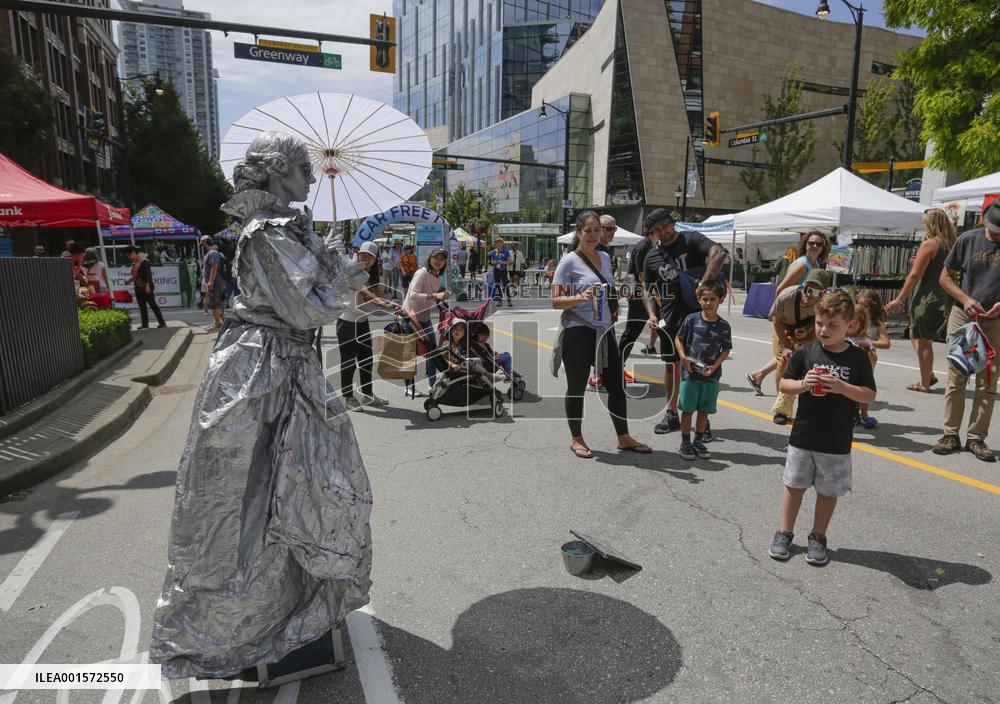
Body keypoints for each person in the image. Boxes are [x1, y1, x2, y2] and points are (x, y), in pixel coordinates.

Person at [149, 131, 372, 679]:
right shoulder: (266, 233)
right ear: (276, 172)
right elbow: (302, 308)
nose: (311, 177)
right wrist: (342, 278)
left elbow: (309, 298)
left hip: (284, 365)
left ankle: (286, 605)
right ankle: (243, 624)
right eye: (302, 168)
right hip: (261, 374)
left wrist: (336, 264)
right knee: (255, 497)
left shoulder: (287, 230)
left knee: (299, 488)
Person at [768, 290, 876, 566]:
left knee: (828, 492)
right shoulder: (806, 352)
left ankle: (818, 536)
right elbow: (784, 385)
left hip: (836, 440)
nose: (824, 330)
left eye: (832, 325)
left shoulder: (857, 359)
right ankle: (784, 533)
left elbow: (868, 394)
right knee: (794, 486)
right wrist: (803, 384)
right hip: (803, 436)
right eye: (819, 323)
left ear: (850, 324)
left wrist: (842, 387)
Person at [551, 210, 651, 459]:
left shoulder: (605, 258)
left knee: (616, 385)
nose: (594, 235)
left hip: (603, 330)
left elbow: (609, 292)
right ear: (579, 232)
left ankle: (623, 437)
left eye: (598, 230)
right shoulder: (569, 262)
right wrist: (580, 297)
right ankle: (576, 438)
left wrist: (622, 293)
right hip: (578, 331)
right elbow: (555, 301)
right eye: (589, 230)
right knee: (576, 386)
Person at [642, 208, 728, 434]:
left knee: (697, 368)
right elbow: (647, 288)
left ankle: (702, 419)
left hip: (700, 318)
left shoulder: (692, 239)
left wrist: (703, 285)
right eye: (657, 229)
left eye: (666, 226)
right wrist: (652, 313)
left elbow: (718, 253)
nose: (663, 232)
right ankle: (671, 413)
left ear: (673, 223)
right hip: (669, 317)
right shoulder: (652, 256)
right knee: (671, 366)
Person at [932, 200, 1000, 461]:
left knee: (988, 380)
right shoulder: (967, 240)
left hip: (994, 320)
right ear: (984, 220)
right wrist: (964, 298)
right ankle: (950, 434)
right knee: (957, 376)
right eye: (993, 230)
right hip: (964, 316)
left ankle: (976, 438)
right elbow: (945, 277)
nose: (996, 235)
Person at [747, 231, 830, 395]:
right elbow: (781, 290)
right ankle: (781, 400)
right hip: (788, 316)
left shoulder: (815, 265)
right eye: (811, 243)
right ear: (805, 244)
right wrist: (786, 315)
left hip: (802, 317)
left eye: (818, 244)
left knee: (789, 352)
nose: (814, 246)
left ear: (823, 247)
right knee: (785, 354)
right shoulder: (803, 264)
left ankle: (758, 375)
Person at [884, 208, 955, 391]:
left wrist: (899, 299)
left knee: (923, 340)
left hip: (926, 298)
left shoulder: (930, 244)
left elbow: (914, 276)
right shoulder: (951, 244)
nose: (923, 224)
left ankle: (925, 383)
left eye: (924, 221)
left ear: (930, 223)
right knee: (918, 335)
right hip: (944, 297)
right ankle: (927, 374)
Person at [674, 280, 732, 460]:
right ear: (699, 300)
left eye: (712, 299)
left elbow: (726, 349)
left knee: (704, 410)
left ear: (720, 300)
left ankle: (698, 440)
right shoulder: (691, 320)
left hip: (711, 377)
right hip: (691, 375)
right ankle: (685, 441)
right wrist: (683, 357)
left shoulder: (724, 326)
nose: (708, 303)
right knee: (688, 410)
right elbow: (678, 338)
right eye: (704, 299)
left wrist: (715, 366)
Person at [767, 268, 832, 425]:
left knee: (813, 364)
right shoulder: (786, 297)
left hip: (809, 330)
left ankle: (812, 408)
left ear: (823, 293)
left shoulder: (827, 303)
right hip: (784, 327)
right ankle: (781, 409)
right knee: (785, 362)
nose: (809, 295)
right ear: (803, 286)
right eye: (807, 289)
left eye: (815, 292)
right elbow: (777, 321)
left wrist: (807, 330)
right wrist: (787, 346)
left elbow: (822, 321)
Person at [338, 241, 395, 411]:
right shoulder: (352, 269)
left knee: (366, 360)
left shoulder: (371, 274)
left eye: (370, 256)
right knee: (348, 362)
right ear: (358, 253)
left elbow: (378, 293)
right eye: (363, 254)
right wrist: (383, 304)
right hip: (347, 322)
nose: (366, 258)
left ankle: (368, 395)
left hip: (362, 321)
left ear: (375, 259)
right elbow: (365, 292)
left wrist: (395, 303)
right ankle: (348, 398)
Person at [402, 248, 451, 398]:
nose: (438, 261)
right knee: (410, 354)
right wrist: (436, 295)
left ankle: (432, 383)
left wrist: (441, 298)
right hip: (410, 317)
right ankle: (409, 387)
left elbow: (429, 297)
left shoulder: (437, 276)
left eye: (442, 259)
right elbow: (413, 295)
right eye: (436, 257)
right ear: (430, 258)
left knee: (432, 352)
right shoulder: (421, 273)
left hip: (424, 317)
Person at [618, 211, 659, 371]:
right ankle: (617, 365)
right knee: (631, 333)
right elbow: (643, 278)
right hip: (640, 296)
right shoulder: (643, 247)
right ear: (654, 228)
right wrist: (657, 296)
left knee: (662, 328)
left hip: (651, 294)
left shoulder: (653, 245)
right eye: (662, 227)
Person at [847, 289, 890, 429]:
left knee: (865, 386)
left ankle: (864, 414)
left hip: (868, 359)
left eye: (866, 306)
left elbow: (886, 343)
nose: (862, 308)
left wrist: (868, 342)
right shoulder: (851, 317)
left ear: (873, 307)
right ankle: (850, 414)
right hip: (850, 357)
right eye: (859, 304)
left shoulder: (876, 322)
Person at [124, 245, 166, 329]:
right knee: (142, 306)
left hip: (147, 288)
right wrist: (129, 281)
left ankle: (162, 322)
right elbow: (136, 276)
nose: (129, 257)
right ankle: (145, 324)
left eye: (129, 255)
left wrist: (147, 286)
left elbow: (148, 275)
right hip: (138, 288)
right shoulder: (135, 263)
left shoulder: (144, 261)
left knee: (153, 305)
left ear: (133, 253)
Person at [200, 235, 224, 332]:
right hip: (214, 282)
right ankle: (217, 323)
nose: (203, 246)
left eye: (203, 244)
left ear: (205, 242)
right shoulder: (211, 253)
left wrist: (210, 281)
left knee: (215, 304)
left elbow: (214, 267)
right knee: (215, 304)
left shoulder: (213, 253)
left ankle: (217, 325)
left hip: (215, 282)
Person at [488, 237, 513, 306]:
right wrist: (495, 262)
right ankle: (499, 301)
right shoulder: (494, 252)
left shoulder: (506, 251)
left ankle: (509, 300)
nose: (497, 244)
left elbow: (510, 261)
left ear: (502, 244)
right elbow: (491, 261)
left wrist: (502, 262)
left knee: (505, 285)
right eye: (496, 243)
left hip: (503, 270)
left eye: (499, 243)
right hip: (496, 270)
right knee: (497, 285)